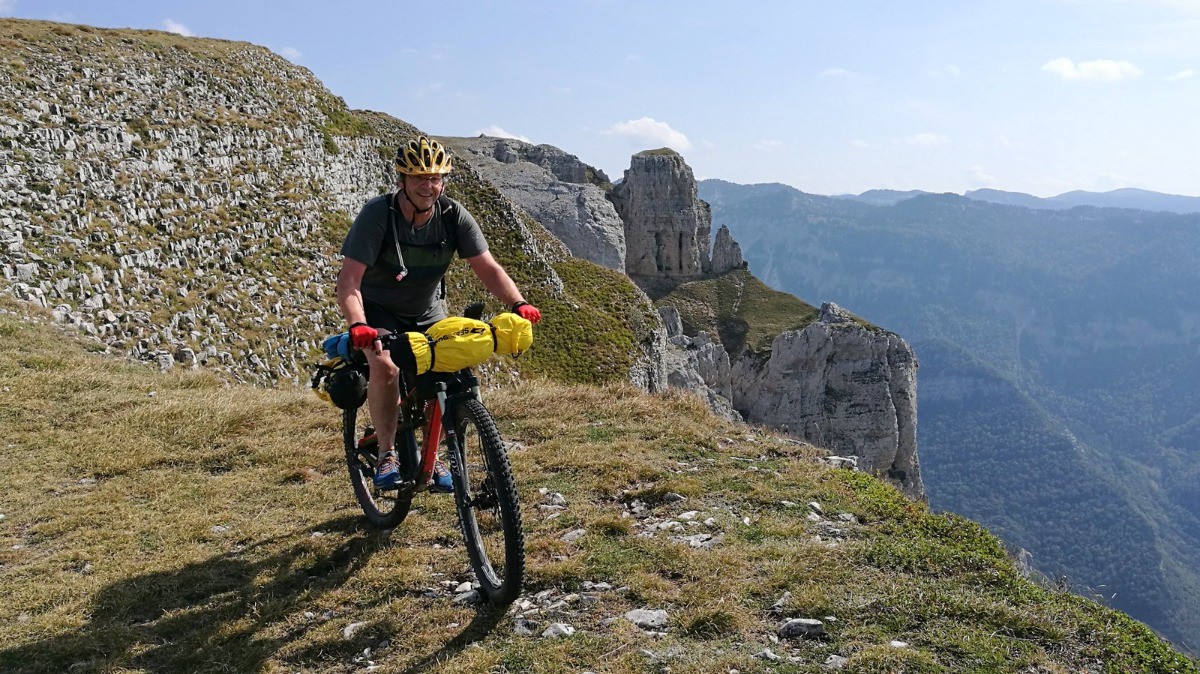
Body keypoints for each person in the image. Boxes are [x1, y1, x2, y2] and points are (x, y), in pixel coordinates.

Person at [335, 135, 541, 490]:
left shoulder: (452, 214)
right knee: (385, 366)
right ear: (401, 180)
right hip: (378, 311)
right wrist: (358, 324)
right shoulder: (378, 215)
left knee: (449, 369)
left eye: (435, 178)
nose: (428, 186)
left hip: (429, 309)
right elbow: (349, 281)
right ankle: (387, 455)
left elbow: (487, 267)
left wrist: (518, 303)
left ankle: (438, 453)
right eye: (418, 178)